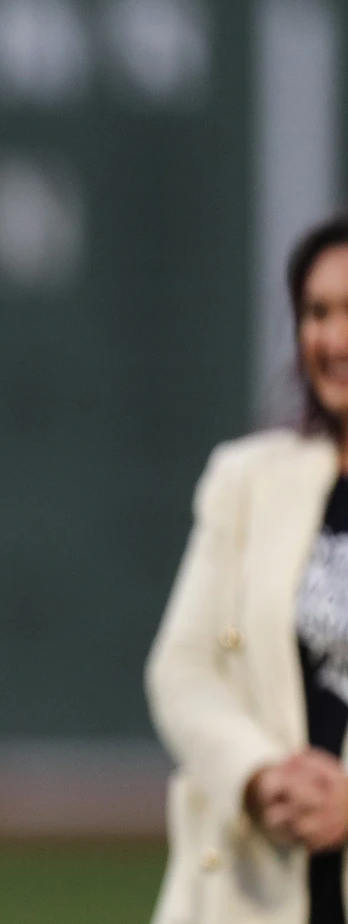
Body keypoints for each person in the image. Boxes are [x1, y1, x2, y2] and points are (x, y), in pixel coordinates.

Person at [149, 218, 348, 924]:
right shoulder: (248, 480)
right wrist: (261, 776)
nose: (333, 340)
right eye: (318, 312)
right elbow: (182, 669)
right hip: (251, 890)